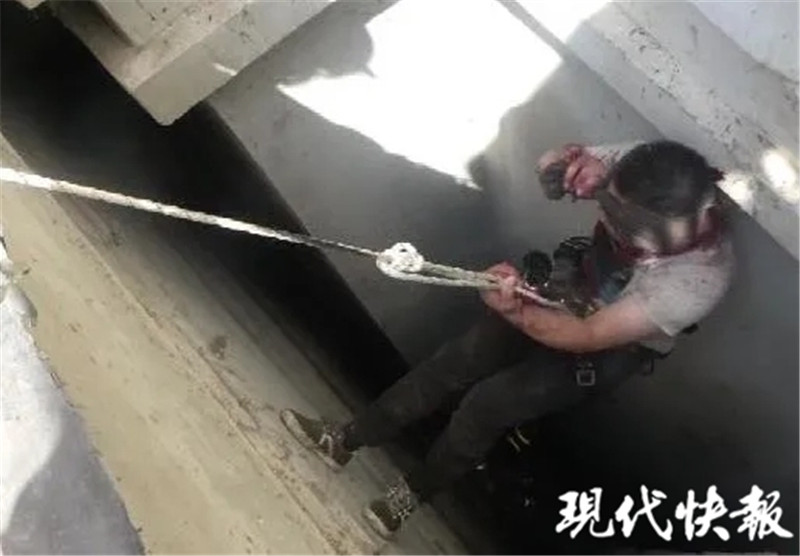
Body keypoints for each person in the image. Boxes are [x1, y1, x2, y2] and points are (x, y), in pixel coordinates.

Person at [280, 140, 735, 539]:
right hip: (572, 289)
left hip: (606, 346)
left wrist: (515, 310)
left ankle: (412, 494)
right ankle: (347, 438)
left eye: (620, 217)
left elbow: (588, 334)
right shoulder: (645, 166)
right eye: (608, 202)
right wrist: (565, 167)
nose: (604, 215)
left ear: (668, 228)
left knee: (488, 405)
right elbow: (551, 162)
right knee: (459, 360)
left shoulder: (696, 281)